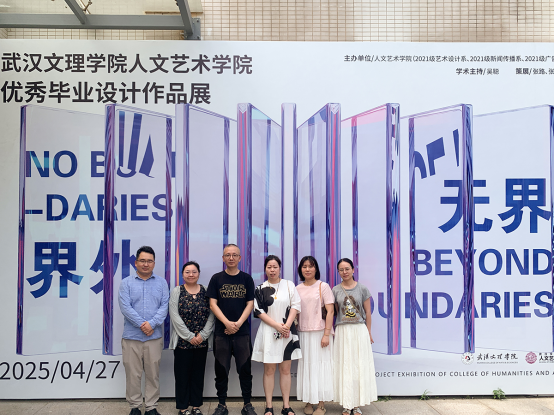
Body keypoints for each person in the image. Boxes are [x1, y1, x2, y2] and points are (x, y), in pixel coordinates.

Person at [118, 246, 170, 416]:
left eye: (149, 261)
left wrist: (152, 324)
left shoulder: (162, 283)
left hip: (153, 337)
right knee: (133, 374)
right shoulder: (126, 283)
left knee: (153, 374)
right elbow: (125, 308)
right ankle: (134, 406)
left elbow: (164, 306)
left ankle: (151, 407)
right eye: (142, 261)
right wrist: (143, 324)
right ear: (136, 263)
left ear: (154, 263)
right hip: (131, 337)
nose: (145, 264)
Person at [207, 244, 257, 416]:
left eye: (234, 255)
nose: (231, 258)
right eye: (227, 255)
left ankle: (247, 405)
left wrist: (237, 324)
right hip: (222, 333)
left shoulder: (246, 279)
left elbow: (250, 304)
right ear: (223, 258)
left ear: (240, 258)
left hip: (242, 333)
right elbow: (212, 304)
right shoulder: (216, 279)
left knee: (245, 370)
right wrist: (227, 323)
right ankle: (222, 405)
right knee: (221, 371)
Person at [252, 255, 301, 416]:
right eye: (269, 267)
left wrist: (286, 326)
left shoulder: (289, 285)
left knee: (286, 370)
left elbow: (295, 305)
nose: (272, 270)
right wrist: (276, 326)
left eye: (275, 267)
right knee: (269, 370)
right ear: (265, 269)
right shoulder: (260, 288)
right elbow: (258, 311)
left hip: (287, 332)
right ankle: (269, 407)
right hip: (269, 332)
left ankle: (286, 406)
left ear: (279, 268)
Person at [332, 258, 377, 416]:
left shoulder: (362, 289)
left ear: (353, 269)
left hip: (359, 330)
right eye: (341, 270)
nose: (344, 272)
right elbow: (335, 312)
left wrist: (368, 332)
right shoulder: (335, 290)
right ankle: (346, 404)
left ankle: (356, 404)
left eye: (347, 269)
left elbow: (368, 313)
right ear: (338, 272)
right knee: (344, 366)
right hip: (343, 331)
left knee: (359, 366)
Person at [169, 261, 215, 416]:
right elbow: (174, 316)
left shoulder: (206, 291)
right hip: (182, 343)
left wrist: (203, 335)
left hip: (201, 342)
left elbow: (212, 314)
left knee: (198, 375)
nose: (191, 274)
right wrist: (189, 336)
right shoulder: (177, 291)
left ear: (199, 274)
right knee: (182, 376)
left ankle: (196, 406)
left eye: (194, 272)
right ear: (183, 274)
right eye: (187, 272)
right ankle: (183, 408)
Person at [295, 256, 335, 416]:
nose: (307, 269)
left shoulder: (323, 286)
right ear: (300, 269)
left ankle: (321, 404)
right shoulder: (297, 288)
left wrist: (326, 334)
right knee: (308, 367)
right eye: (304, 266)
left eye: (310, 266)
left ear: (316, 269)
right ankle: (309, 401)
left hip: (320, 333)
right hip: (304, 333)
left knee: (321, 367)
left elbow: (330, 311)